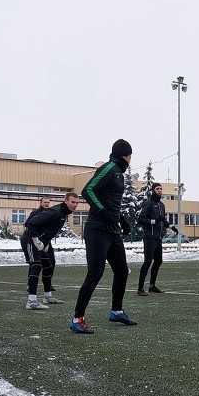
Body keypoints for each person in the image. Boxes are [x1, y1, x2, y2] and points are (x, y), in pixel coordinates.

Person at [70, 139, 136, 334]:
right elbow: (88, 190)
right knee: (95, 272)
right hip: (97, 229)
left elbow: (111, 202)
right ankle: (77, 318)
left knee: (122, 270)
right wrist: (104, 213)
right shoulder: (109, 168)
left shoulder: (120, 175)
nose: (131, 159)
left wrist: (121, 220)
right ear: (126, 155)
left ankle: (116, 311)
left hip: (112, 230)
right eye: (130, 155)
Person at [21, 193, 78, 310]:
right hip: (29, 240)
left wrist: (45, 242)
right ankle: (31, 301)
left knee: (48, 265)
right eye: (73, 202)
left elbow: (49, 230)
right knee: (36, 266)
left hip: (42, 242)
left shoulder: (64, 213)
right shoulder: (55, 211)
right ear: (65, 201)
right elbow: (31, 223)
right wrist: (36, 239)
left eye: (77, 203)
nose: (75, 205)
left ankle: (47, 297)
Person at [136, 182, 178, 296]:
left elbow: (162, 220)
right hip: (149, 237)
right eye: (157, 189)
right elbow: (140, 220)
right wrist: (154, 221)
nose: (160, 190)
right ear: (153, 190)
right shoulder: (148, 204)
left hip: (158, 238)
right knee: (148, 261)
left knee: (158, 261)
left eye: (161, 189)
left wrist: (171, 226)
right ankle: (140, 288)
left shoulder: (161, 205)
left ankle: (152, 286)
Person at [25, 197, 57, 292]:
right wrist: (36, 236)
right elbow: (28, 224)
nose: (47, 204)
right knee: (35, 263)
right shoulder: (35, 213)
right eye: (45, 202)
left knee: (52, 261)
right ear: (40, 203)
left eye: (48, 202)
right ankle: (29, 284)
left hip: (46, 241)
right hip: (35, 241)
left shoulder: (51, 213)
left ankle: (48, 283)